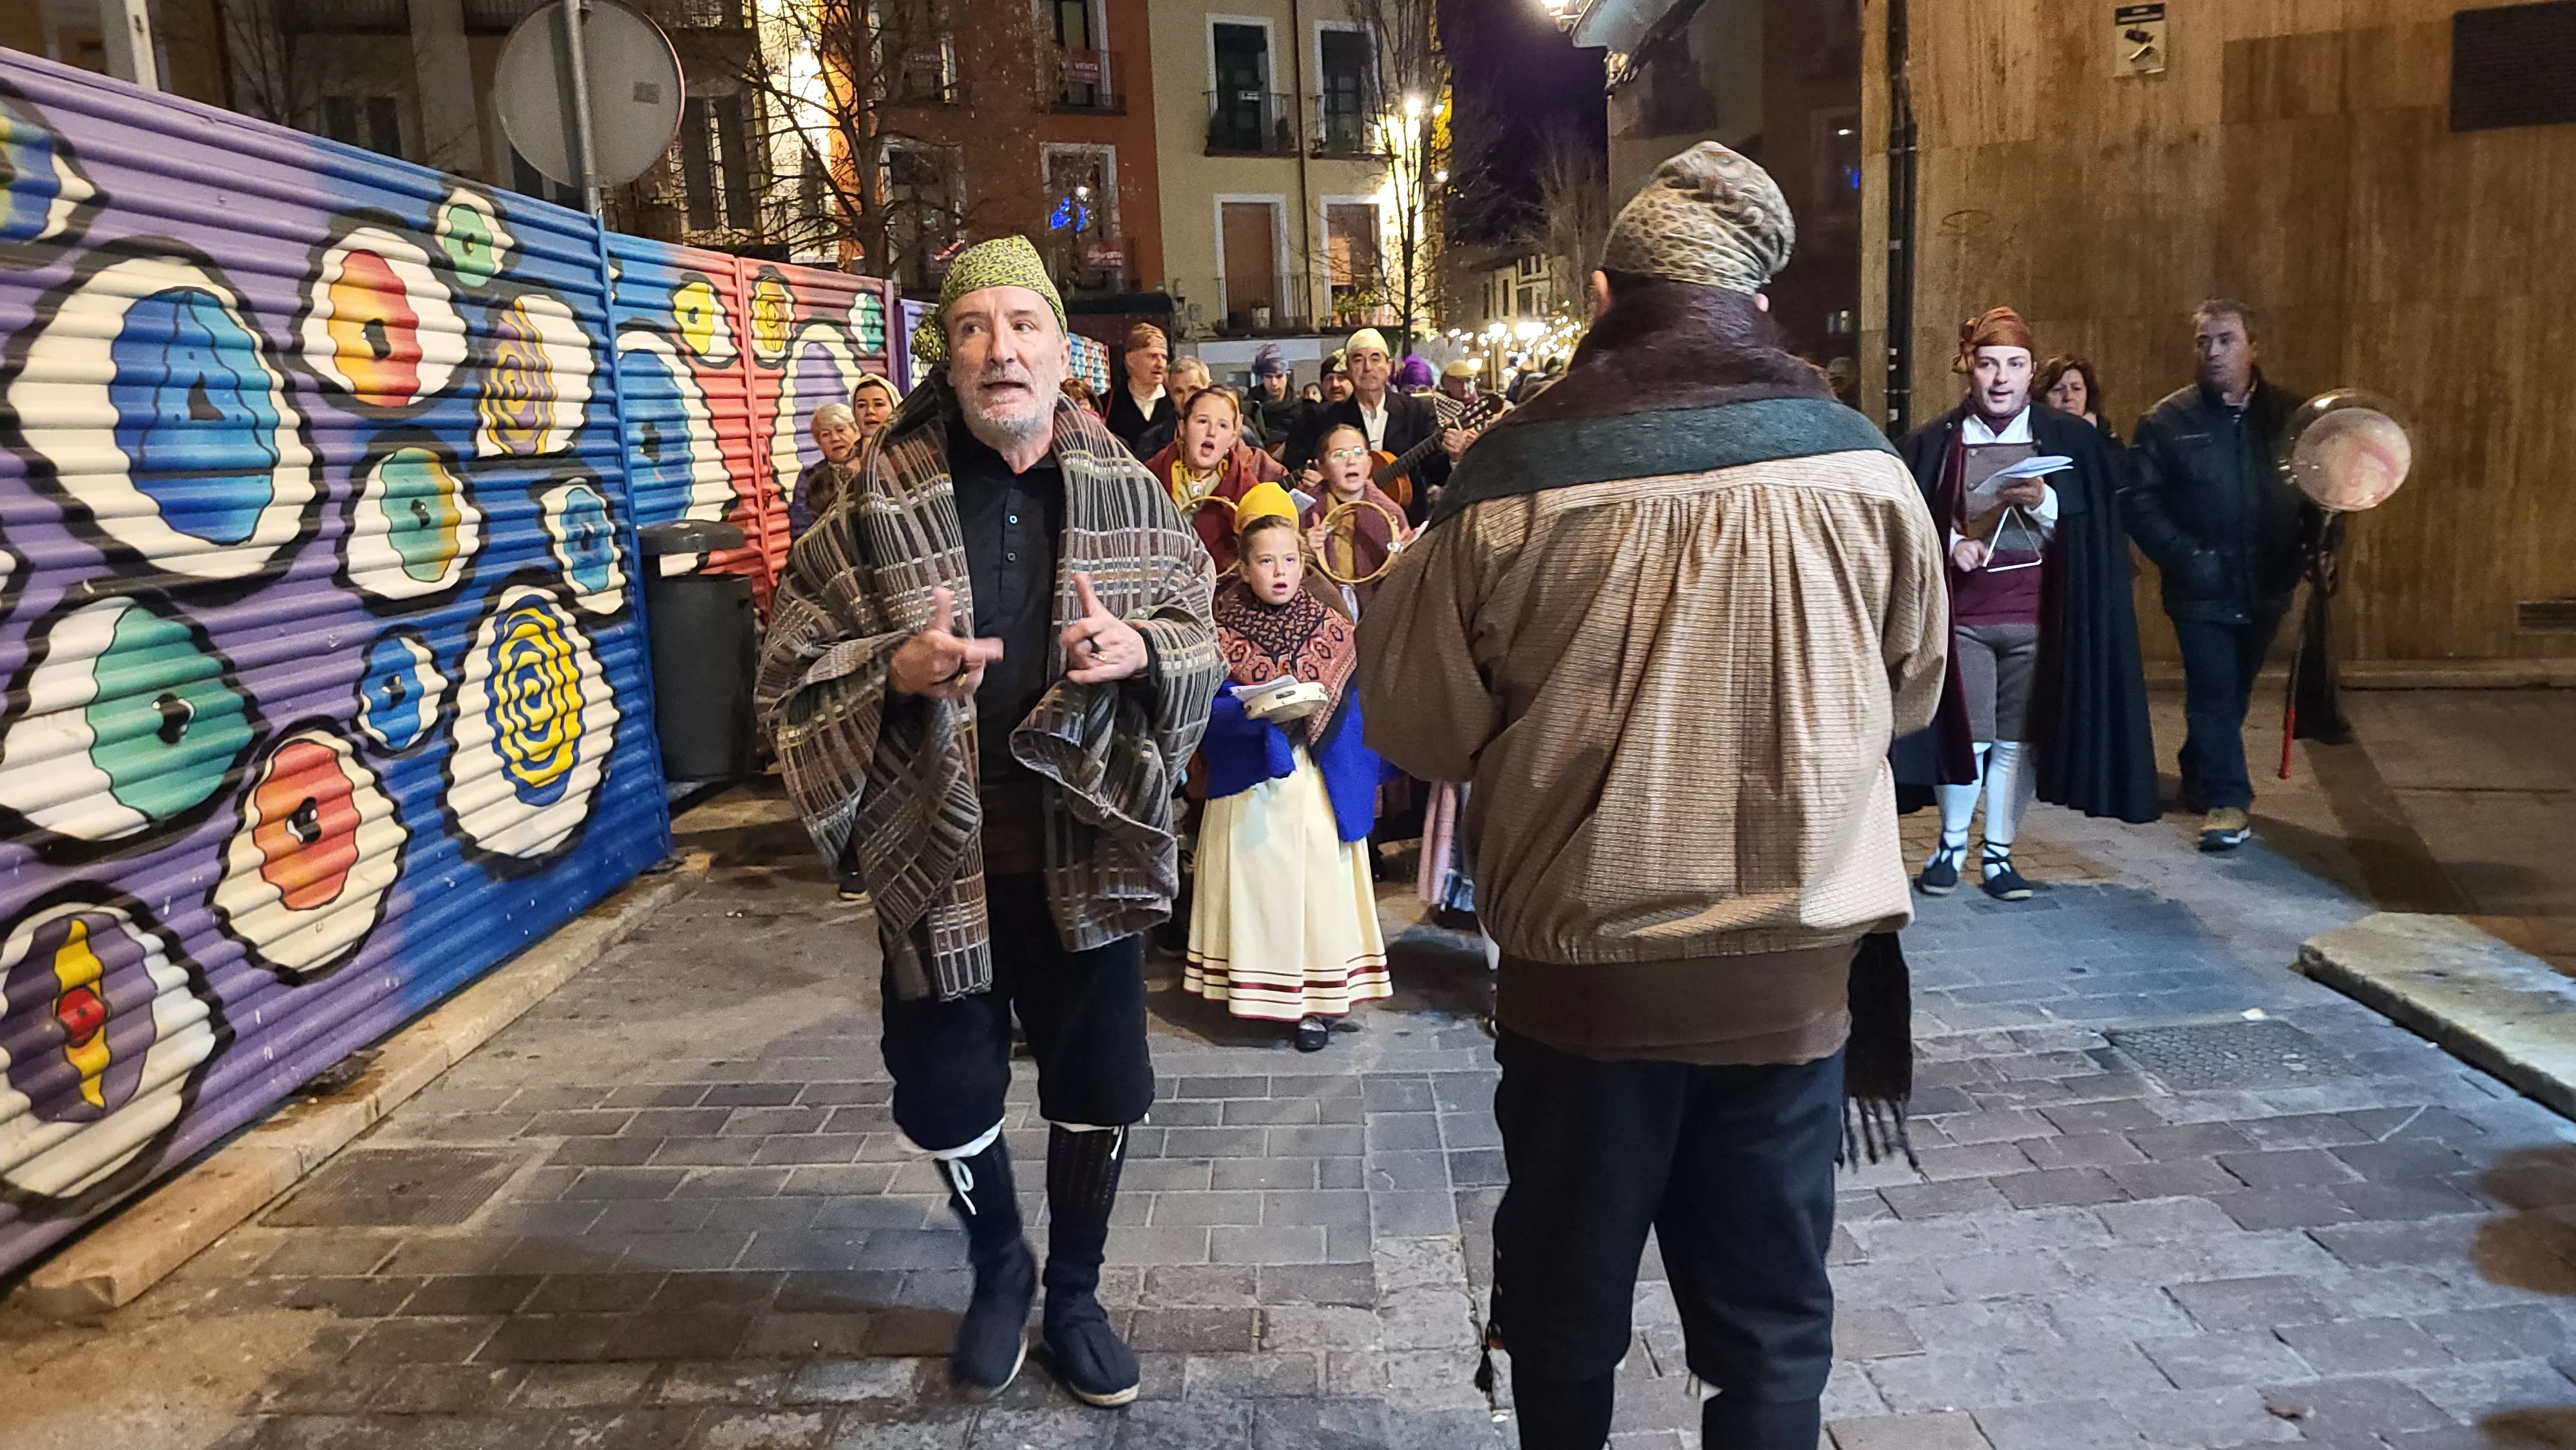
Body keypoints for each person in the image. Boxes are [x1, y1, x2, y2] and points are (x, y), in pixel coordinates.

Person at [1357, 143, 1946, 1450]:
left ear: (1600, 287)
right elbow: (1910, 695)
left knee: (1566, 1315)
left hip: (1585, 990)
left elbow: (1420, 727)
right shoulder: (1860, 470)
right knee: (1770, 1335)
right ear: (1757, 299)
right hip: (1792, 990)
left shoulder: (1510, 476)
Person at [754, 236, 1222, 1408]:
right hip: (940, 853)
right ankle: (998, 1261)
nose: (998, 348)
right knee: (946, 1093)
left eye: (1022, 325)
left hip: (1087, 841)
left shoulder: (1128, 487)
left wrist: (1141, 650)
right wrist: (893, 668)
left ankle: (1074, 1288)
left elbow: (1199, 628)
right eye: (973, 328)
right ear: (946, 355)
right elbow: (788, 667)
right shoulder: (875, 494)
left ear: (1064, 351)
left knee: (1101, 1083)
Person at [1893, 307, 2159, 902]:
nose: (2001, 378)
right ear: (1970, 368)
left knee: (2017, 739)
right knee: (1971, 736)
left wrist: (2044, 502)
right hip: (1965, 619)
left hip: (2038, 619)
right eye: (1989, 364)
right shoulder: (1934, 443)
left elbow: (2094, 533)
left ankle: (1999, 856)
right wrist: (1952, 542)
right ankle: (1950, 847)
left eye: (2015, 365)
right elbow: (1909, 527)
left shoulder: (2071, 443)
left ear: (2031, 371)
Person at [1187, 483, 1392, 1052]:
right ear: (1244, 568)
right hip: (1251, 781)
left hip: (1313, 779)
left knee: (1314, 883)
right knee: (1257, 882)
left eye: (1289, 559)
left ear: (1305, 562)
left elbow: (1355, 700)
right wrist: (1250, 715)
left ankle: (1315, 999)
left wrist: (1314, 716)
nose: (1279, 571)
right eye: (1265, 561)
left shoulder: (1330, 624)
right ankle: (1252, 989)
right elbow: (1204, 707)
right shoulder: (1220, 628)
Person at [2125, 299, 2316, 851]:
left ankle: (2199, 768)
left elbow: (2323, 488)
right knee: (2211, 692)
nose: (2212, 352)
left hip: (2267, 582)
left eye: (2225, 340)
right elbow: (2140, 501)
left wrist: (2321, 548)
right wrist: (2185, 556)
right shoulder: (2167, 422)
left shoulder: (2291, 416)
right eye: (2203, 341)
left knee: (2234, 691)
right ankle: (2228, 801)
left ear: (2254, 346)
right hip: (2200, 585)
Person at [1327, 328, 1463, 525]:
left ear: (1389, 367)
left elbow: (1438, 473)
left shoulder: (1416, 412)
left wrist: (1455, 457)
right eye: (1358, 360)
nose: (1367, 368)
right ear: (1348, 368)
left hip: (1408, 523)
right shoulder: (1329, 417)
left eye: (1376, 359)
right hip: (1348, 523)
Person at [1145, 384, 1287, 570]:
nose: (1212, 432)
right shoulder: (1147, 478)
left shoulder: (1246, 489)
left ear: (1232, 438)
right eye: (1202, 421)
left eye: (1223, 425)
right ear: (1182, 428)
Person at [1296, 421, 1408, 618]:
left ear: (1369, 463)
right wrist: (1304, 549)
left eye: (1358, 452)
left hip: (1377, 612)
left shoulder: (1391, 514)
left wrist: (1402, 556)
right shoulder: (1305, 511)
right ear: (1321, 468)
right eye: (1339, 455)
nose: (1351, 461)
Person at [788, 402, 864, 538]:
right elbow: (801, 529)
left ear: (857, 432)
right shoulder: (809, 478)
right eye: (826, 435)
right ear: (819, 444)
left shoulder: (875, 467)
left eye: (841, 430)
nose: (834, 438)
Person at [1104, 320, 1175, 457]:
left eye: (1164, 357)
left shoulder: (1176, 404)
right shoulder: (1106, 405)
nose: (1160, 364)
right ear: (1131, 360)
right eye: (1152, 356)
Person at [1282, 349, 1354, 473]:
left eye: (1341, 378)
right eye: (1329, 379)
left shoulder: (1362, 415)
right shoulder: (1309, 417)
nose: (1335, 384)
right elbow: (1293, 461)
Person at [2040, 354, 2117, 442]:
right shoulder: (2030, 436)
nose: (2069, 397)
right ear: (2042, 396)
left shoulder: (2105, 435)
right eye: (2058, 389)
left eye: (2077, 389)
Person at [1246, 344, 1300, 451]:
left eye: (1279, 376)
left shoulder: (1301, 409)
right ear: (1262, 377)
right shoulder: (1249, 408)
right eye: (1268, 377)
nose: (1274, 383)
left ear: (1286, 376)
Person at [851, 373, 899, 442]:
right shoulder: (850, 452)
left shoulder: (912, 450)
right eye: (862, 405)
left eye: (879, 404)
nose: (870, 411)